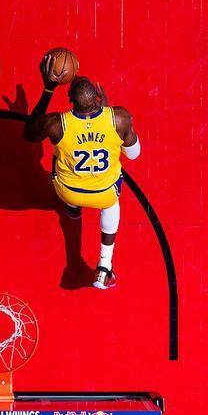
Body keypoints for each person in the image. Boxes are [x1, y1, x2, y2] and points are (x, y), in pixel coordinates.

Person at [23, 54, 141, 289]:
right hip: (103, 194)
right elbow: (134, 154)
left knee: (60, 155)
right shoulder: (118, 118)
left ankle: (73, 209)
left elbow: (28, 134)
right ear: (98, 97)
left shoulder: (55, 123)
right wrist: (108, 113)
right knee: (112, 199)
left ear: (69, 100)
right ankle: (104, 265)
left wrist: (48, 89)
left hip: (68, 191)